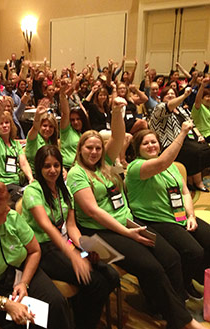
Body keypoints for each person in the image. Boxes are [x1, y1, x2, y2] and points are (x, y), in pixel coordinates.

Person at [67, 96, 205, 329]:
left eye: (98, 148)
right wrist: (127, 231)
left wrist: (116, 112)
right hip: (99, 233)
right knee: (151, 267)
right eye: (89, 148)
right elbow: (93, 212)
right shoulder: (76, 174)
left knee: (170, 258)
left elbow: (119, 136)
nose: (94, 152)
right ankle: (185, 321)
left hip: (125, 223)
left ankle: (170, 310)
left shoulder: (104, 166)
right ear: (80, 149)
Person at [22, 145, 119, 329]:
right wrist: (73, 255)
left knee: (111, 275)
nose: (52, 170)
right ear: (39, 168)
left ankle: (80, 314)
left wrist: (84, 247)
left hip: (63, 243)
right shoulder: (32, 191)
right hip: (42, 249)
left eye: (56, 165)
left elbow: (72, 227)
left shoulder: (64, 191)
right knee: (95, 282)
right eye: (47, 166)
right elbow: (47, 227)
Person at [0, 181, 71, 329]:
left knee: (56, 303)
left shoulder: (12, 218)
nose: (9, 209)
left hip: (21, 271)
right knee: (23, 323)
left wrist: (24, 283)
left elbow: (34, 251)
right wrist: (6, 304)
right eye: (2, 210)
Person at [126, 124, 210, 299]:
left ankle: (199, 277)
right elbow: (161, 162)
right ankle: (184, 282)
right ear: (137, 148)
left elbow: (185, 191)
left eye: (154, 142)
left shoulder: (172, 166)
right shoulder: (136, 167)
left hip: (179, 214)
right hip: (156, 219)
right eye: (145, 143)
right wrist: (182, 133)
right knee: (193, 251)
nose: (151, 146)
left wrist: (191, 215)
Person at [150, 86, 210, 192]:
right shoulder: (159, 108)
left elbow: (191, 123)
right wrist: (185, 95)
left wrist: (199, 135)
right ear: (162, 97)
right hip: (170, 143)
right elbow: (168, 106)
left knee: (204, 148)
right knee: (197, 151)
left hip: (186, 140)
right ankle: (196, 181)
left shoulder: (181, 110)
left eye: (172, 93)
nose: (170, 95)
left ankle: (192, 178)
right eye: (167, 94)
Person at [0, 97, 33, 203]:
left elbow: (24, 163)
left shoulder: (15, 144)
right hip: (1, 184)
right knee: (25, 198)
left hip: (16, 182)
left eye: (7, 123)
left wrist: (30, 178)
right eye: (1, 123)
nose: (4, 126)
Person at [59, 89, 90, 170]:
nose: (75, 122)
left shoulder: (87, 134)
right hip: (67, 167)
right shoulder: (67, 131)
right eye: (72, 120)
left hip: (84, 167)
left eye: (78, 119)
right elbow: (65, 113)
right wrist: (62, 94)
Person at [24, 101, 58, 173]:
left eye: (51, 126)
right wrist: (37, 116)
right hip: (33, 175)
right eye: (44, 126)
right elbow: (35, 127)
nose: (47, 129)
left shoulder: (51, 141)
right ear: (40, 126)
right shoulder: (34, 137)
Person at [191, 77, 210, 142]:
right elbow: (197, 100)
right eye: (207, 97)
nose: (209, 99)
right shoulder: (199, 107)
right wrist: (202, 86)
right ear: (202, 99)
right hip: (204, 136)